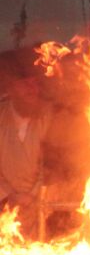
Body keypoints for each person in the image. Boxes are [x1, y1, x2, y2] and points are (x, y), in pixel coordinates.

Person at [0, 60, 53, 237]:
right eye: (25, 84)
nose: (32, 90)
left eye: (35, 83)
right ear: (11, 88)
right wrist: (10, 195)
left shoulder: (49, 116)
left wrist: (33, 195)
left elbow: (55, 163)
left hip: (42, 206)